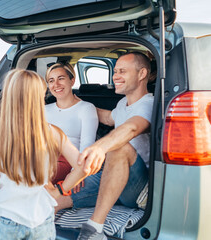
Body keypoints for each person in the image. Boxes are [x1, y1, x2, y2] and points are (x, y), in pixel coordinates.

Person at [0, 63, 99, 239]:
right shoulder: (53, 131)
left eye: (61, 78)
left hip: (8, 219)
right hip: (41, 220)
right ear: (40, 95)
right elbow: (84, 166)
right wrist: (60, 190)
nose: (56, 84)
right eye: (51, 81)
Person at [54, 52, 153, 240]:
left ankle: (94, 229)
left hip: (137, 188)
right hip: (110, 176)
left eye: (122, 71)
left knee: (119, 147)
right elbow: (108, 118)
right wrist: (75, 103)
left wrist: (99, 148)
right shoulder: (123, 103)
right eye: (115, 71)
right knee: (54, 202)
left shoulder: (149, 103)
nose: (115, 76)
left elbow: (132, 128)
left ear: (141, 74)